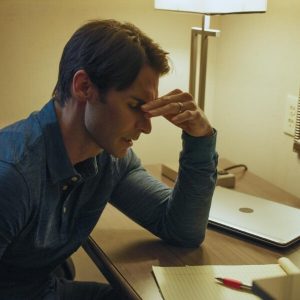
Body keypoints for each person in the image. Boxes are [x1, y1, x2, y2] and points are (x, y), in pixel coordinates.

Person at [0, 19, 218, 299]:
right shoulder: (12, 177)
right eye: (135, 106)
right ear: (84, 87)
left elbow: (181, 229)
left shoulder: (109, 160)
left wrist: (200, 139)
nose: (146, 126)